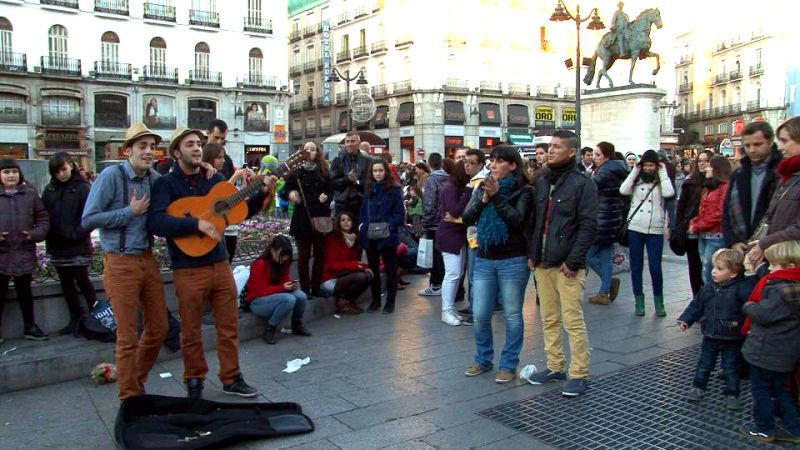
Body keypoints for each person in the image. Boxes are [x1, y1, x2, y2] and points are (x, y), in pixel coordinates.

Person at [148, 127, 269, 399]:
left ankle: (232, 376)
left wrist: (260, 193)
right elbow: (156, 221)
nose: (197, 148)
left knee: (229, 325)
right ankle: (194, 380)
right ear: (176, 151)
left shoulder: (213, 181)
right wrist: (196, 223)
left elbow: (239, 212)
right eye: (190, 144)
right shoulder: (166, 185)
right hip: (187, 267)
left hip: (219, 262)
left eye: (199, 144)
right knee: (190, 329)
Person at [82, 123, 167, 400]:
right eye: (142, 146)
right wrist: (128, 212)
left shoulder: (153, 179)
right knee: (127, 336)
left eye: (152, 147)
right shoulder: (110, 176)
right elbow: (88, 219)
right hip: (119, 263)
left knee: (159, 327)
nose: (148, 152)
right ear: (127, 150)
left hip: (147, 259)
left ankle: (134, 380)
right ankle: (129, 398)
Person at [526, 131, 597, 396]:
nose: (550, 150)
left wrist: (574, 260)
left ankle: (579, 372)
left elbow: (588, 225)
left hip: (567, 264)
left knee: (572, 320)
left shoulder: (582, 183)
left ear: (571, 152)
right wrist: (533, 253)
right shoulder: (542, 181)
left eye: (557, 147)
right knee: (549, 317)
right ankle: (555, 365)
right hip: (544, 262)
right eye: (550, 146)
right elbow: (536, 222)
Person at [461, 145, 532, 384]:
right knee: (480, 314)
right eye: (491, 161)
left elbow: (517, 221)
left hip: (513, 259)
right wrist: (484, 199)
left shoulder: (524, 190)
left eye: (498, 161)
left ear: (512, 165)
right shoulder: (481, 187)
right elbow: (468, 218)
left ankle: (509, 363)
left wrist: (498, 196)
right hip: (484, 257)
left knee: (512, 314)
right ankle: (483, 359)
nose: (492, 165)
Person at [739, 240, 800, 444]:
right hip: (786, 353)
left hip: (766, 352)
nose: (770, 269)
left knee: (761, 390)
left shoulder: (779, 290)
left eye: (773, 265)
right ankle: (795, 429)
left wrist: (748, 306)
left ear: (789, 266)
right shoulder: (795, 287)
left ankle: (764, 429)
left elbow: (763, 313)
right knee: (780, 390)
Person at [678, 249, 752, 411]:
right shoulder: (709, 288)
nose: (713, 271)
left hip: (732, 336)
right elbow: (696, 305)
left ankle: (732, 393)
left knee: (731, 367)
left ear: (733, 273)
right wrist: (686, 319)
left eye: (719, 268)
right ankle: (698, 387)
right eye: (713, 267)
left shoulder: (741, 288)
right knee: (704, 364)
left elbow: (750, 305)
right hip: (711, 335)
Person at [41, 152, 96, 335]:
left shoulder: (83, 188)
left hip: (77, 244)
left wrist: (75, 234)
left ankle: (98, 317)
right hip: (57, 245)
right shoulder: (49, 190)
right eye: (57, 172)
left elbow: (90, 216)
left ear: (71, 166)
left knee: (82, 280)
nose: (61, 174)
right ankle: (75, 318)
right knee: (66, 283)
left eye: (63, 169)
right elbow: (42, 215)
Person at [620, 149, 675, 317]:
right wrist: (635, 170)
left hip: (655, 229)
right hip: (636, 228)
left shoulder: (661, 181)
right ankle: (639, 302)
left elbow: (669, 193)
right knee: (636, 267)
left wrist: (662, 171)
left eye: (652, 165)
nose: (649, 168)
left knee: (655, 267)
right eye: (646, 165)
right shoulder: (636, 180)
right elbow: (623, 190)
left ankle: (659, 302)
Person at [0, 159, 50, 344]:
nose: (11, 175)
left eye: (14, 171)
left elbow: (43, 218)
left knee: (25, 293)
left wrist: (35, 234)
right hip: (2, 254)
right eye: (6, 172)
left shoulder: (30, 194)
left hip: (23, 251)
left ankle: (30, 326)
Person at [282, 141, 331, 298]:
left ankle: (316, 286)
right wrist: (290, 195)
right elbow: (283, 191)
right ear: (301, 153)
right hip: (303, 219)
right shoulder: (296, 172)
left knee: (320, 254)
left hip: (320, 219)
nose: (310, 152)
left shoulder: (323, 172)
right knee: (303, 256)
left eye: (313, 149)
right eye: (307, 149)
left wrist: (327, 197)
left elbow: (332, 191)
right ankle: (305, 288)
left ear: (318, 153)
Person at [723, 121, 782, 253]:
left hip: (772, 247)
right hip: (742, 245)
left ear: (770, 141)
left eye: (757, 144)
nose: (752, 150)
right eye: (747, 145)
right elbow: (727, 209)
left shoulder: (781, 171)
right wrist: (733, 241)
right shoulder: (738, 173)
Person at [244, 235, 312, 344]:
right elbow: (261, 291)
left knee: (301, 296)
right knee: (289, 299)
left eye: (286, 256)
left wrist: (290, 286)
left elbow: (284, 281)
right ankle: (270, 328)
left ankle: (297, 325)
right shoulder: (260, 264)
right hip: (257, 302)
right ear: (273, 250)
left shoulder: (284, 262)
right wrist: (282, 287)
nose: (285, 258)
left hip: (276, 295)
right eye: (282, 255)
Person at [358, 159, 404, 314]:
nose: (378, 174)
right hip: (370, 235)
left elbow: (399, 213)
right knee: (373, 270)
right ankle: (376, 300)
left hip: (388, 236)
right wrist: (363, 226)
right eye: (375, 171)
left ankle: (390, 302)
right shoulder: (368, 189)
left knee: (391, 270)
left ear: (386, 171)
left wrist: (389, 226)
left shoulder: (394, 190)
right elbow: (363, 212)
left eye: (380, 171)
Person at [586, 142, 628, 305]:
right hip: (611, 218)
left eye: (598, 155)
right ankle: (604, 291)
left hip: (603, 219)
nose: (594, 158)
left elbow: (590, 189)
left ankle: (608, 282)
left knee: (588, 255)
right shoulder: (615, 169)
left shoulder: (604, 171)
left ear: (607, 156)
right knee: (604, 255)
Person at [201, 143, 253, 263]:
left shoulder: (220, 174)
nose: (223, 161)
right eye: (219, 157)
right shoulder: (206, 178)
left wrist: (247, 186)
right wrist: (235, 177)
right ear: (209, 158)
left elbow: (232, 199)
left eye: (223, 157)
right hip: (216, 229)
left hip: (231, 227)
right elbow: (219, 199)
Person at [673, 150, 713, 296]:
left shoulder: (716, 182)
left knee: (708, 267)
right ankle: (697, 297)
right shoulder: (690, 181)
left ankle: (708, 299)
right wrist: (678, 228)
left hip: (710, 232)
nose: (702, 163)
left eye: (706, 160)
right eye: (700, 160)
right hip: (692, 230)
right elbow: (681, 206)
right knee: (695, 266)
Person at [436, 160, 471, 326]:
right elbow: (454, 211)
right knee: (453, 274)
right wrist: (469, 192)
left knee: (455, 275)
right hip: (451, 236)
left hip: (456, 236)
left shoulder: (453, 187)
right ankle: (446, 310)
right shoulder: (452, 188)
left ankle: (449, 309)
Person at [457, 148, 489, 325]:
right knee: (474, 274)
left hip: (478, 233)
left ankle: (477, 311)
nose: (466, 166)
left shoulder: (481, 181)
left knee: (477, 274)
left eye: (470, 163)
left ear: (481, 164)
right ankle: (473, 307)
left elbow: (472, 210)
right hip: (472, 233)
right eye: (464, 162)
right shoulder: (472, 180)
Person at [689, 156, 731, 285]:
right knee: (706, 269)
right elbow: (704, 210)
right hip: (704, 235)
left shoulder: (724, 187)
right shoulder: (709, 187)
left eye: (709, 166)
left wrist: (697, 226)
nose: (706, 168)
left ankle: (713, 299)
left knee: (710, 271)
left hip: (716, 236)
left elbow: (720, 213)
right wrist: (694, 221)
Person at [321, 211, 373, 315]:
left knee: (369, 275)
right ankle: (343, 302)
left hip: (344, 275)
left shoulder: (353, 239)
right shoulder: (333, 239)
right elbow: (330, 265)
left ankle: (349, 300)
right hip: (330, 280)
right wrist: (355, 266)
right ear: (338, 223)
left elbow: (353, 262)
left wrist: (364, 267)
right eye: (343, 220)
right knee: (360, 277)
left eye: (349, 220)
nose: (346, 222)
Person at [419, 153, 449, 297]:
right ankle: (442, 283)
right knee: (442, 255)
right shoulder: (448, 178)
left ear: (429, 164)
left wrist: (425, 220)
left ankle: (435, 285)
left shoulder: (432, 180)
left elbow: (430, 203)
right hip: (445, 221)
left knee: (434, 256)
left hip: (433, 223)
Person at [330, 131, 371, 216]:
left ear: (359, 143)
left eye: (352, 141)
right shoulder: (337, 161)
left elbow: (370, 182)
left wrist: (357, 182)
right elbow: (332, 183)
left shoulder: (368, 161)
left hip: (361, 203)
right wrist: (347, 179)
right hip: (341, 204)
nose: (349, 144)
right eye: (347, 141)